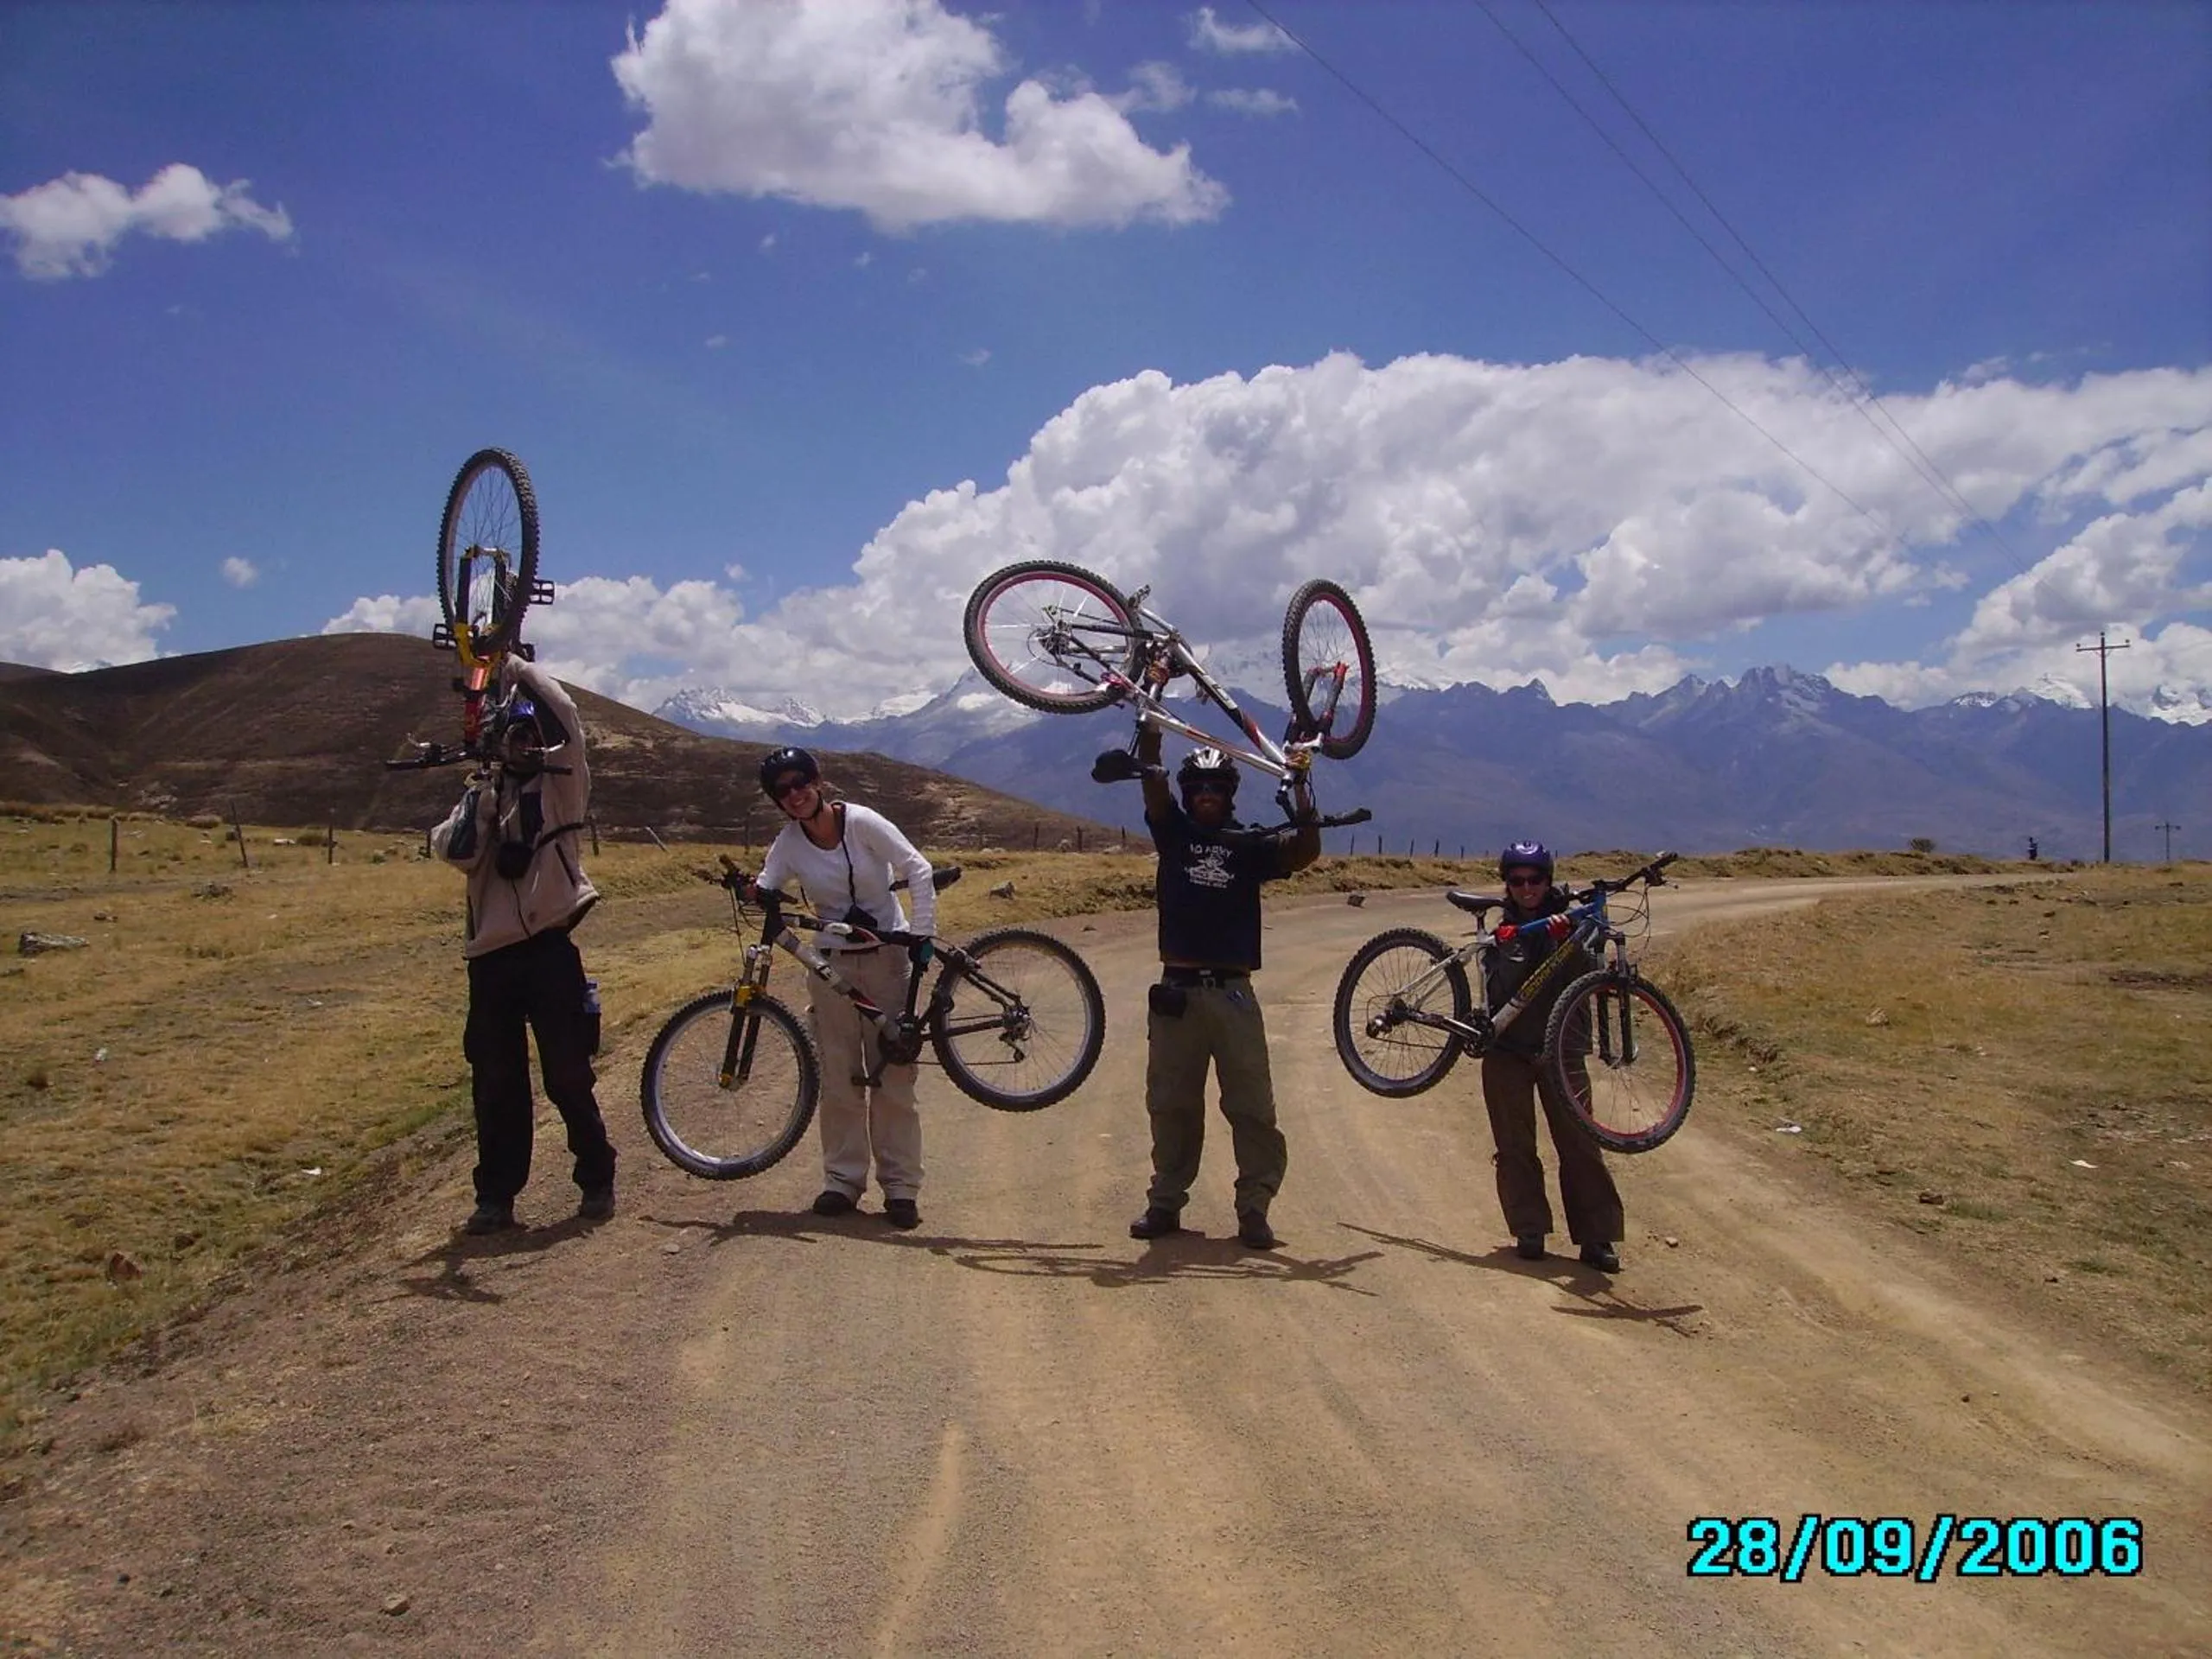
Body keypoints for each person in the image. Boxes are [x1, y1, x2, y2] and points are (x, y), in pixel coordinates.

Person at [432, 658, 617, 1235]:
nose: (523, 745)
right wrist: (484, 799)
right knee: (496, 1082)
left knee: (567, 1074)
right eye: (514, 736)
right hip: (490, 959)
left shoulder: (564, 785)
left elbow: (569, 717)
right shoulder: (481, 795)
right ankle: (496, 1198)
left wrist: (511, 662)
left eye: (531, 736)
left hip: (550, 950)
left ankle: (596, 1174)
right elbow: (454, 852)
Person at [1126, 719, 1319, 1249]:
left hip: (1234, 993)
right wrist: (1150, 730)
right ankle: (1165, 1202)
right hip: (1177, 994)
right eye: (1197, 789)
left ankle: (1254, 1209)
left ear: (1231, 794)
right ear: (1187, 795)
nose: (1206, 795)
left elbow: (1303, 851)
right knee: (1171, 1103)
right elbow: (1153, 782)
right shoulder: (1173, 832)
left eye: (1216, 788)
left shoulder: (1248, 844)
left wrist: (1302, 785)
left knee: (1252, 1104)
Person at [754, 746, 937, 1230]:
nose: (794, 795)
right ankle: (842, 1181)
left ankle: (900, 1188)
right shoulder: (790, 841)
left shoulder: (862, 822)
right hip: (830, 964)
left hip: (886, 958)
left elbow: (917, 868)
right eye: (783, 791)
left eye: (800, 783)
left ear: (819, 781)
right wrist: (754, 891)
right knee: (838, 1078)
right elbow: (768, 881)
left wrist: (922, 933)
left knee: (895, 1078)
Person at [1480, 840, 1624, 1273]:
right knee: (1514, 1145)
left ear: (1549, 880)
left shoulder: (1577, 922)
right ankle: (1529, 1228)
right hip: (1507, 1051)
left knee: (1580, 1145)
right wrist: (1514, 947)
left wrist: (1573, 938)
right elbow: (1495, 990)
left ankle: (1597, 1237)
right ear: (1507, 884)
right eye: (1516, 881)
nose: (1527, 889)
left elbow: (1594, 974)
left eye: (1535, 879)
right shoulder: (1500, 932)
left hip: (1563, 1051)